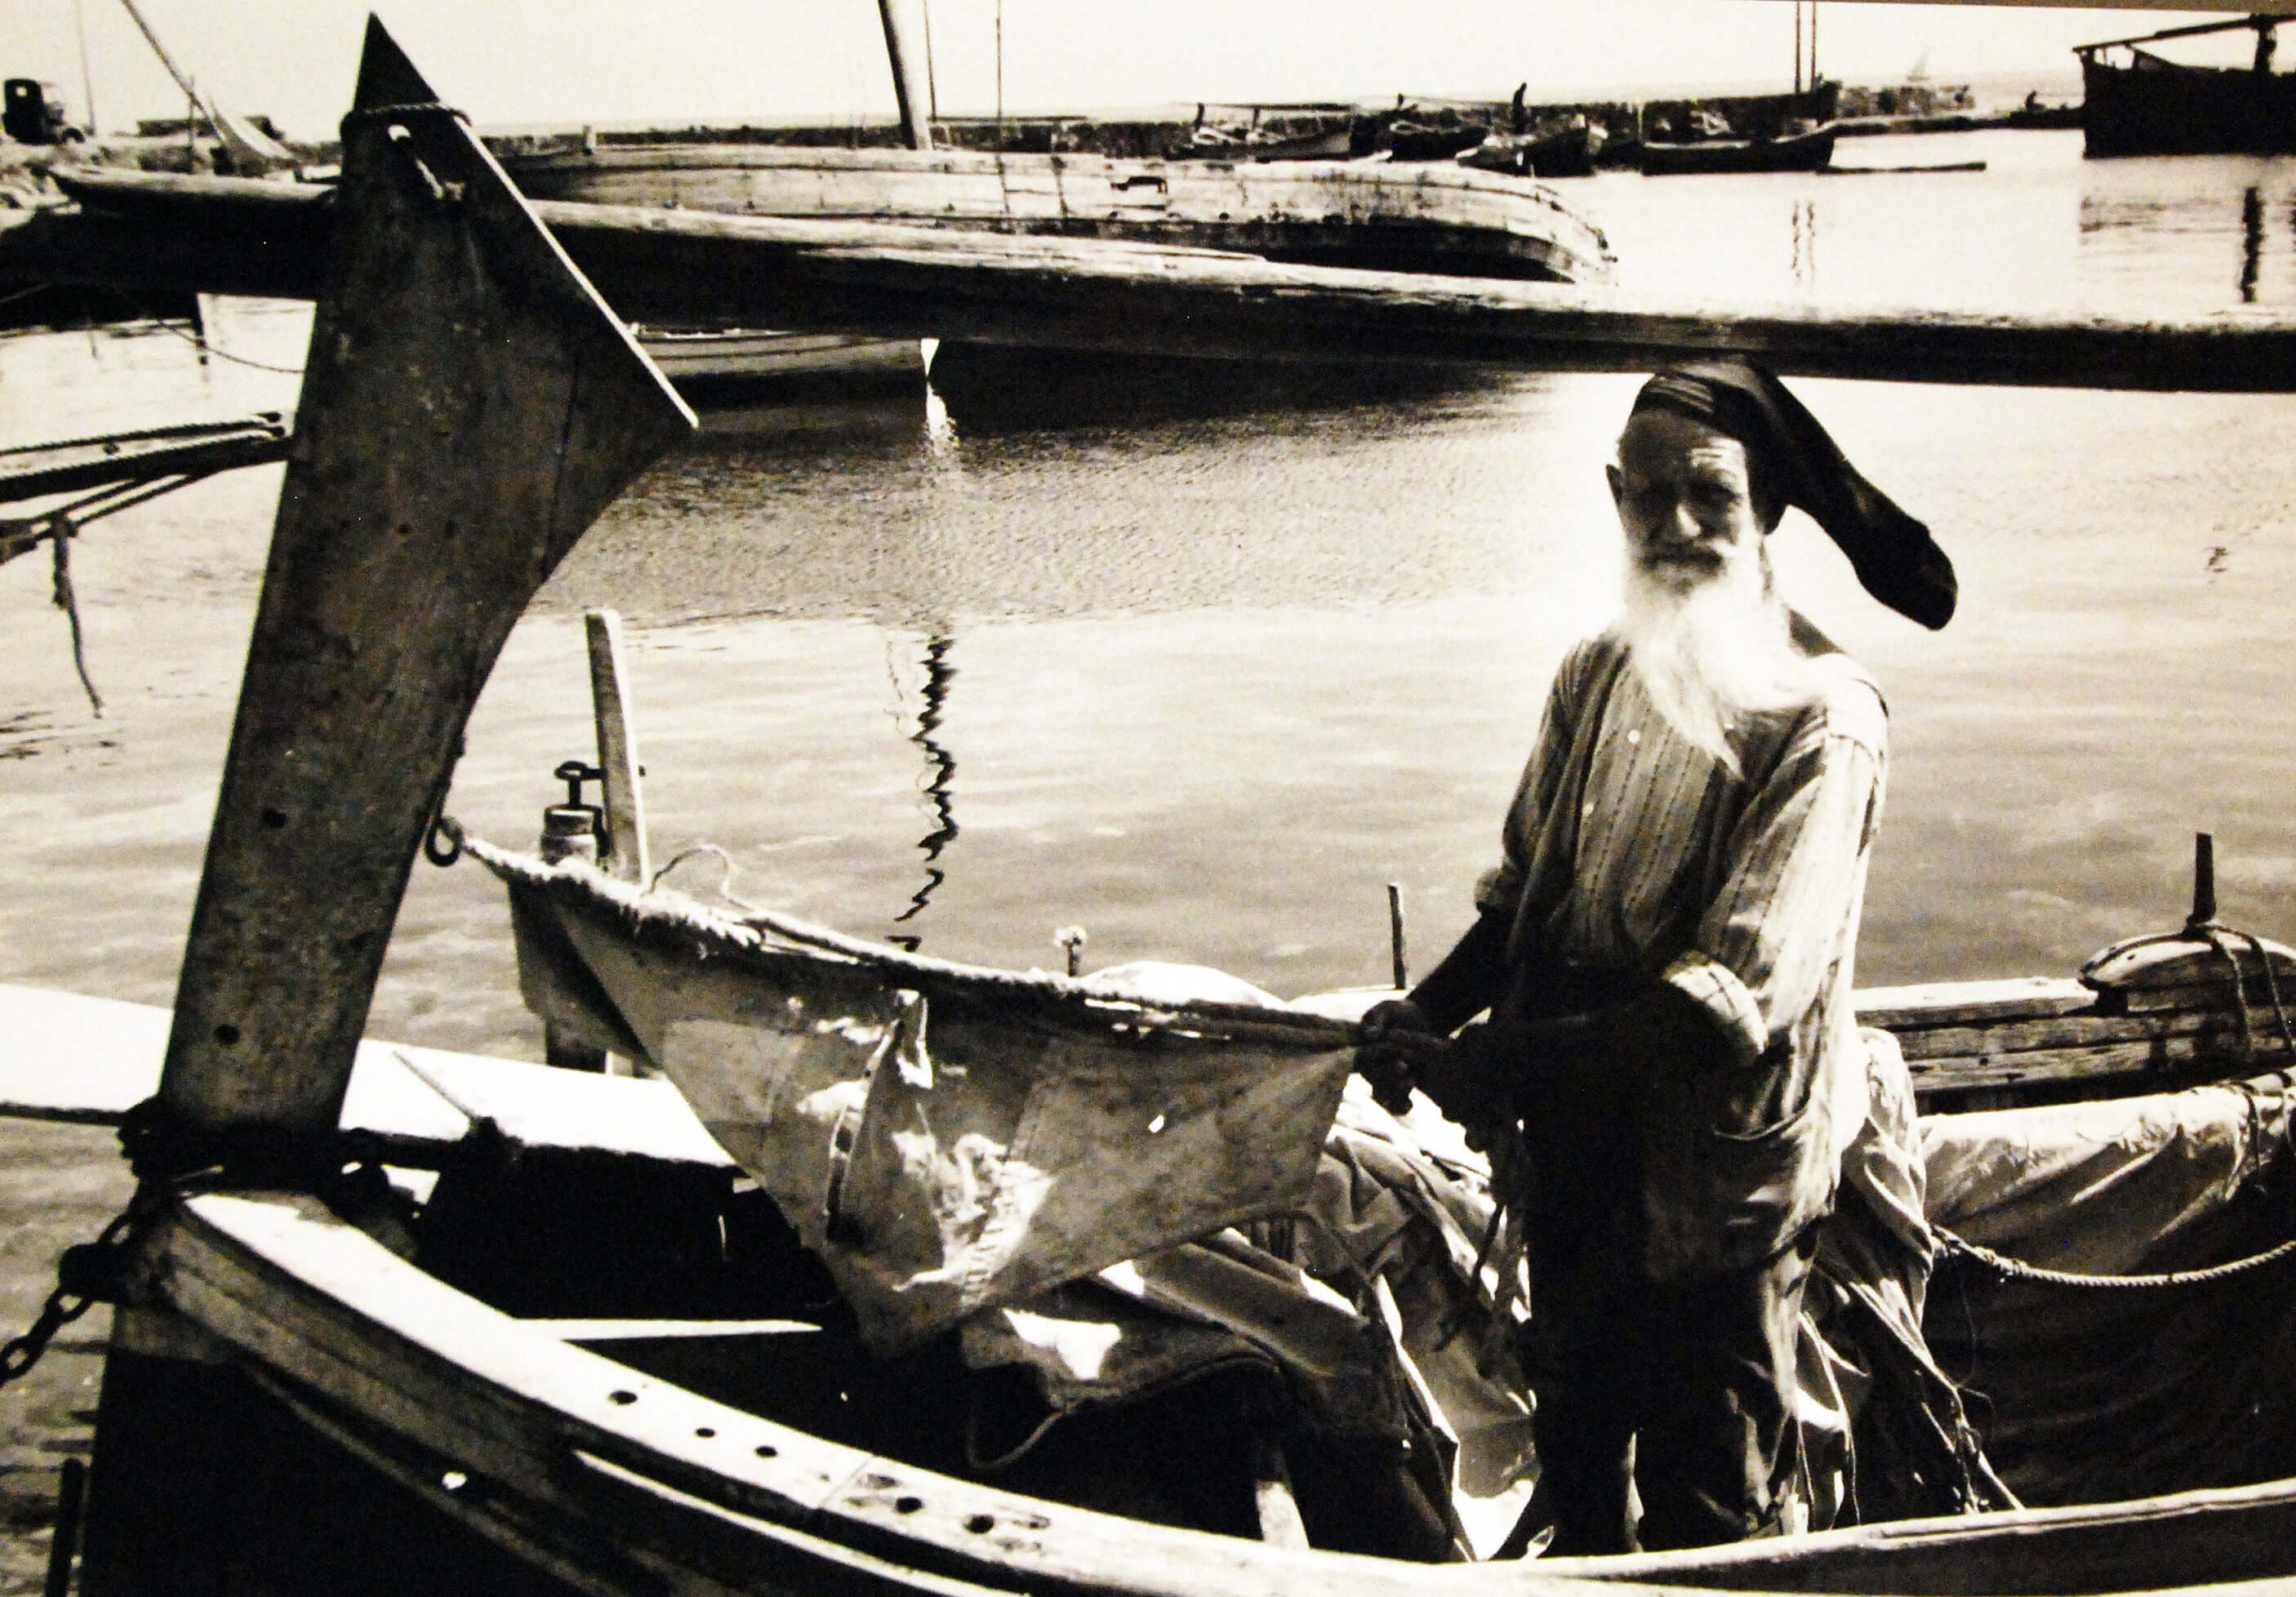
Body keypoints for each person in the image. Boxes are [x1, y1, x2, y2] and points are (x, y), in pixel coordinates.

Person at [1358, 357, 1955, 1556]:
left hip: (1717, 1188)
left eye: (1713, 500)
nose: (1675, 528)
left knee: (1713, 1500)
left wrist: (1502, 1065)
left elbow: (1719, 1006)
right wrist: (1421, 1012)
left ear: (1767, 512)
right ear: (1612, 496)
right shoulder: (1597, 671)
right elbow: (1529, 893)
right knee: (1578, 1432)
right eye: (1648, 497)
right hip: (1578, 1154)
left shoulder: (1822, 719)